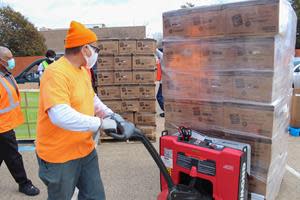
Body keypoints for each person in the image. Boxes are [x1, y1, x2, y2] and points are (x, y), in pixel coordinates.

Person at [36, 21, 128, 200]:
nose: (96, 53)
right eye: (96, 49)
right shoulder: (56, 73)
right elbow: (60, 115)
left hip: (85, 150)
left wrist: (110, 114)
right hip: (60, 155)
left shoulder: (83, 71)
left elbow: (92, 98)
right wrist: (101, 123)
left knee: (95, 196)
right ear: (85, 49)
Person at [0, 46, 40, 196]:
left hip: (8, 123)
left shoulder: (6, 75)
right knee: (13, 156)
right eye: (8, 58)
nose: (12, 61)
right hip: (2, 127)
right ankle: (24, 183)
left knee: (3, 153)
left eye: (12, 57)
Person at [156, 48, 165, 117]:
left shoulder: (162, 56)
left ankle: (166, 111)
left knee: (159, 96)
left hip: (164, 81)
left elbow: (155, 50)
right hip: (172, 81)